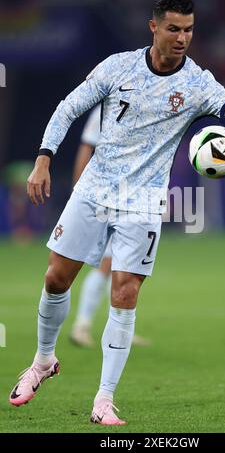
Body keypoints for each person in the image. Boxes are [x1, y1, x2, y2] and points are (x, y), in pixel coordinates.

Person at [9, 0, 225, 425]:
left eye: (189, 30)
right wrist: (44, 158)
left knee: (126, 294)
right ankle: (43, 361)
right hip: (95, 189)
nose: (182, 38)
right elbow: (68, 108)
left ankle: (104, 398)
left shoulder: (197, 83)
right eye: (173, 28)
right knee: (56, 277)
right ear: (153, 27)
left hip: (144, 200)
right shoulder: (118, 67)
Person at [70, 105, 150, 347]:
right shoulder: (106, 107)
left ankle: (118, 328)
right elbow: (87, 147)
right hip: (105, 195)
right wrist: (80, 193)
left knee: (123, 264)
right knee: (107, 264)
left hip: (134, 198)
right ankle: (81, 325)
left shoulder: (149, 106)